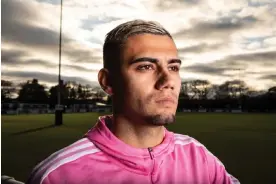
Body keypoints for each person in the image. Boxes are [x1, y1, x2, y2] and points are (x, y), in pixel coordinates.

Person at [27, 19, 240, 184]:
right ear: (108, 81)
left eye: (173, 67)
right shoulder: (57, 175)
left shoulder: (199, 156)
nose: (168, 81)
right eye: (145, 66)